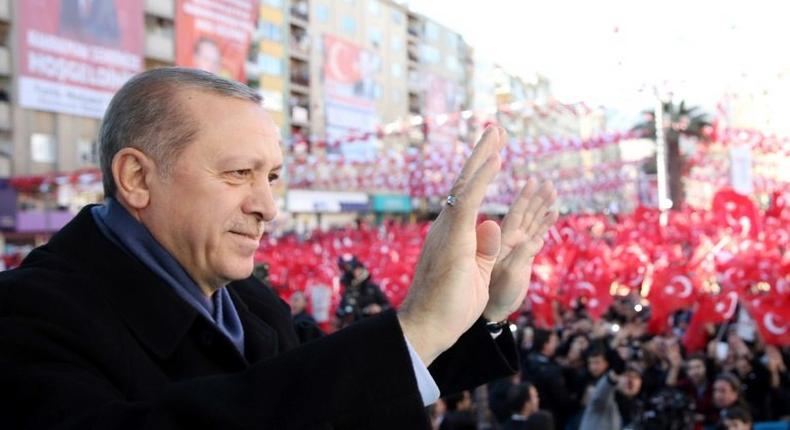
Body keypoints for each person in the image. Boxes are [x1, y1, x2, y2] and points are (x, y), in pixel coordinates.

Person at [0, 67, 559, 428]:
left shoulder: (250, 300)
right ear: (137, 178)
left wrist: (484, 309)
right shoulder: (28, 316)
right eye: (240, 173)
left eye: (272, 177)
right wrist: (418, 324)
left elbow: (339, 384)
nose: (267, 206)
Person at [336, 254, 390, 325]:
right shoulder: (348, 292)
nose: (357, 273)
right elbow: (342, 312)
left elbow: (387, 305)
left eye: (358, 269)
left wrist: (379, 308)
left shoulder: (372, 288)